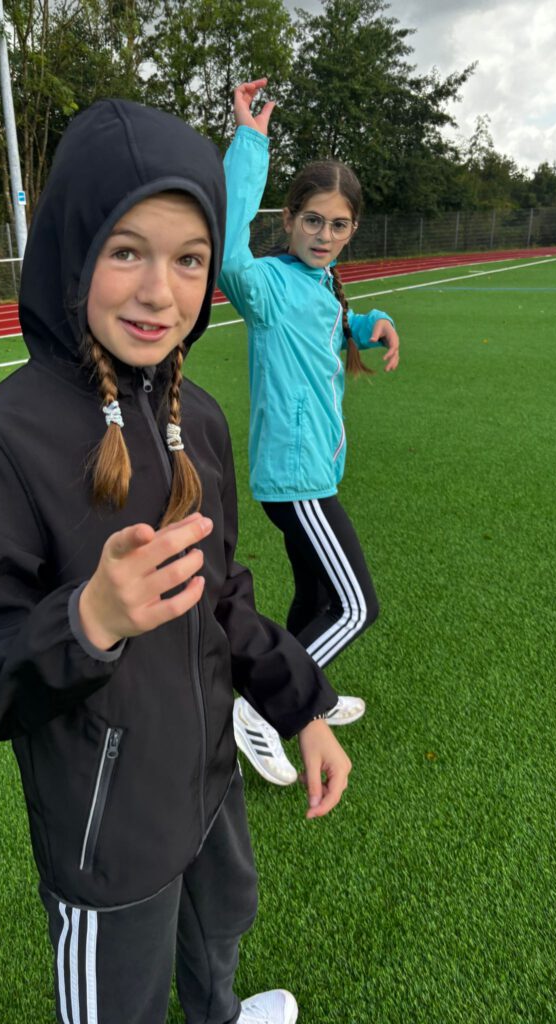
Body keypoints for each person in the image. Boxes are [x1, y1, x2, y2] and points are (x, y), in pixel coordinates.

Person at [0, 97, 353, 1024]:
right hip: (106, 833)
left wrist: (304, 706)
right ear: (73, 249)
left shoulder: (198, 418)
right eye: (128, 251)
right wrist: (88, 623)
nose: (161, 291)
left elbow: (224, 597)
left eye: (190, 259)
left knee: (218, 934)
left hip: (208, 783)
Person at [219, 79, 400, 788]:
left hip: (312, 470)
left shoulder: (321, 284)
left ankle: (302, 689)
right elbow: (227, 248)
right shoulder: (266, 284)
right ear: (289, 218)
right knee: (355, 606)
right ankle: (268, 707)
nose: (325, 235)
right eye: (314, 221)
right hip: (295, 478)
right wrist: (250, 142)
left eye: (339, 225)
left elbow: (334, 324)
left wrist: (371, 324)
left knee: (315, 600)